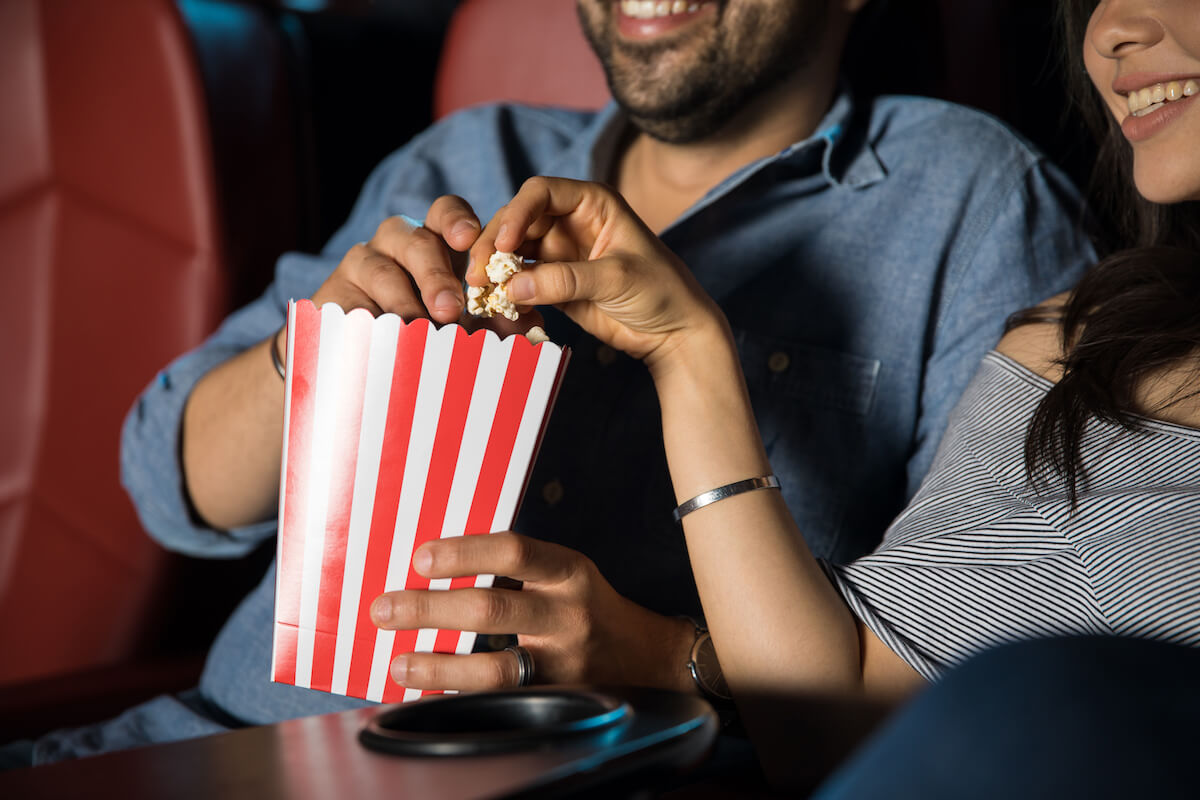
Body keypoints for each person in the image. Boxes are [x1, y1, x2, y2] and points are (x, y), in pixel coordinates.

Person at [6, 0, 1093, 766]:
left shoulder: (976, 201)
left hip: (596, 766)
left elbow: (981, 674)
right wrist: (316, 347)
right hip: (224, 735)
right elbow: (168, 481)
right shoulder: (466, 157)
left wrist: (673, 660)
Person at [430, 0, 1198, 787]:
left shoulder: (981, 201)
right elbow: (851, 692)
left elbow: (845, 716)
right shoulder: (1075, 339)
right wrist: (301, 361)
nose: (1113, 29)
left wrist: (676, 658)